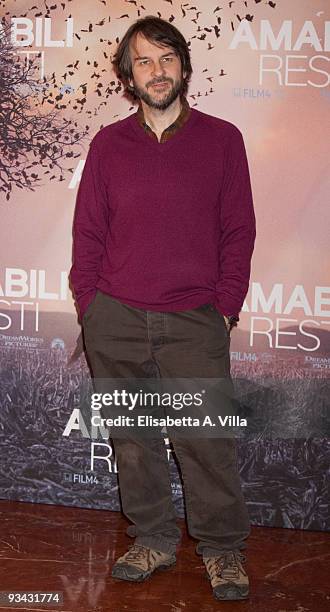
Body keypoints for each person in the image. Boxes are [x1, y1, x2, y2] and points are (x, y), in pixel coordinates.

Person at [69, 15, 256, 602]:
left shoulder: (223, 139)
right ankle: (151, 539)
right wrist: (89, 303)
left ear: (184, 67)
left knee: (207, 441)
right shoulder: (108, 144)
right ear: (129, 74)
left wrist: (225, 306)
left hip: (194, 319)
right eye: (144, 61)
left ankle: (223, 550)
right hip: (115, 318)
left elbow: (239, 229)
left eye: (167, 57)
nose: (157, 70)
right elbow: (88, 233)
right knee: (134, 440)